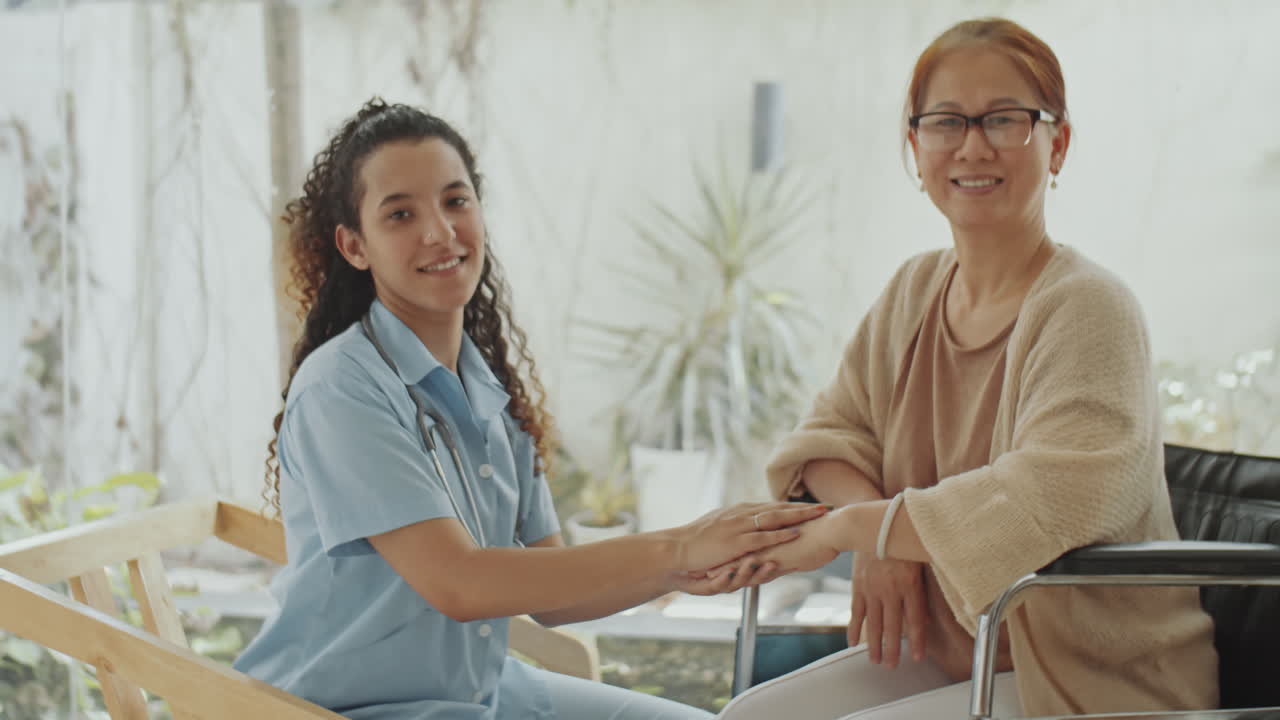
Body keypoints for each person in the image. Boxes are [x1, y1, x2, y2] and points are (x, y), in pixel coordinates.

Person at [233, 98, 828, 720]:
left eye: (455, 201)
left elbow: (549, 589)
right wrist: (679, 547)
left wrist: (686, 572)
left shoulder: (484, 387)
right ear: (355, 246)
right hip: (350, 710)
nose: (439, 231)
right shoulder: (342, 390)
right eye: (401, 214)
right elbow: (460, 584)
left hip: (482, 695)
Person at [717, 17, 1218, 720]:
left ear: (1058, 144)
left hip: (1088, 677)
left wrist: (852, 529)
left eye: (1005, 119)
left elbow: (1047, 497)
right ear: (915, 146)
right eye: (947, 121)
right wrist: (880, 542)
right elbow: (829, 440)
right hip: (954, 651)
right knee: (749, 717)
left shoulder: (1089, 307)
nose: (974, 145)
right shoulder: (914, 292)